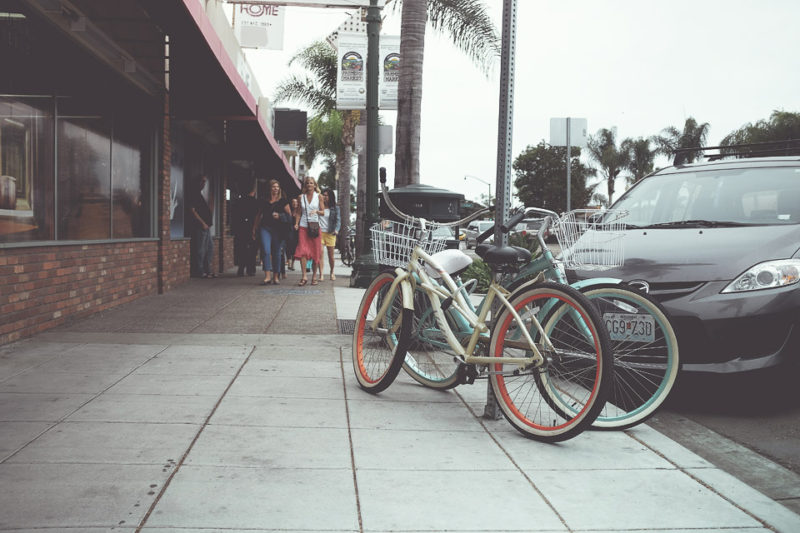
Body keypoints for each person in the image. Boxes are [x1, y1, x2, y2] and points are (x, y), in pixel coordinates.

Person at [253, 179, 292, 285]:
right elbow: (258, 215)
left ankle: (276, 276)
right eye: (273, 186)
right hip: (265, 228)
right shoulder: (263, 200)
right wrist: (254, 228)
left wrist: (280, 216)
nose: (276, 188)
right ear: (269, 188)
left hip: (278, 230)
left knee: (276, 252)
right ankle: (267, 276)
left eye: (277, 187)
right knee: (265, 250)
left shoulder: (283, 201)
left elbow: (289, 216)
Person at [294, 176, 324, 286]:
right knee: (303, 251)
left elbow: (323, 212)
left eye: (311, 183)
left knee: (316, 252)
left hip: (315, 227)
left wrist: (316, 211)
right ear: (305, 185)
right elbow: (298, 212)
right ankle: (304, 276)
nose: (309, 185)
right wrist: (296, 223)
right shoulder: (301, 197)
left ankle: (314, 276)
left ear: (315, 185)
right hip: (303, 226)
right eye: (307, 183)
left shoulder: (319, 196)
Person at [188, 174, 215, 278]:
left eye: (205, 182)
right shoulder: (194, 194)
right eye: (202, 181)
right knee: (200, 249)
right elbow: (192, 210)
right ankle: (200, 271)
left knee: (209, 248)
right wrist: (202, 223)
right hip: (201, 227)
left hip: (207, 227)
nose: (204, 184)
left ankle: (208, 270)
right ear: (198, 182)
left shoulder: (200, 195)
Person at [232, 179, 258, 276]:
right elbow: (257, 216)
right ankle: (251, 269)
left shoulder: (238, 201)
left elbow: (234, 215)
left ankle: (241, 268)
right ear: (253, 191)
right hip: (251, 227)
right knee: (252, 249)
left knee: (241, 248)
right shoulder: (255, 202)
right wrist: (254, 229)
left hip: (240, 228)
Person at [318, 188, 341, 281]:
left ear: (330, 196)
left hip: (330, 233)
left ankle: (332, 272)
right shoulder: (319, 206)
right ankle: (321, 274)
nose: (324, 197)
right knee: (320, 253)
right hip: (320, 232)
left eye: (326, 195)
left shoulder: (335, 208)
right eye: (323, 195)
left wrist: (337, 230)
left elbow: (338, 220)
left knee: (330, 256)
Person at [285, 197, 299, 271]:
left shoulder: (299, 212)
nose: (295, 203)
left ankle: (292, 264)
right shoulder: (288, 211)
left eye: (296, 202)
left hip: (297, 231)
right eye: (293, 202)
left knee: (294, 247)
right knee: (288, 246)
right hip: (289, 231)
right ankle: (289, 261)